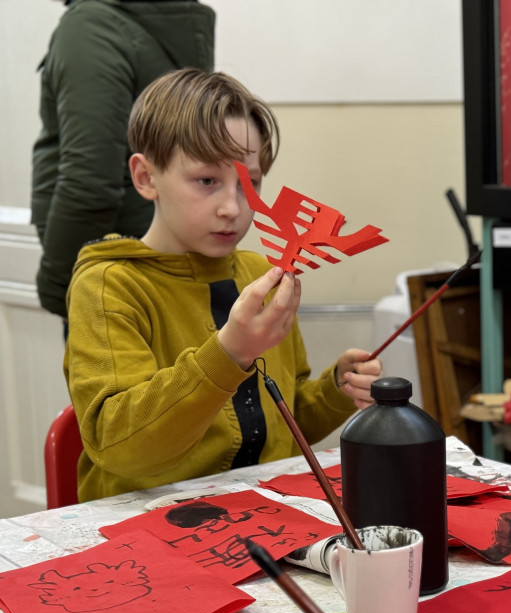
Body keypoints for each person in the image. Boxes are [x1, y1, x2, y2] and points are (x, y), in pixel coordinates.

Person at [63, 68, 382, 502]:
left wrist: (336, 389)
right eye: (207, 181)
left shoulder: (259, 275)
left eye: (250, 183)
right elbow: (121, 449)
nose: (233, 207)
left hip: (263, 512)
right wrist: (230, 352)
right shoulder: (109, 286)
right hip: (147, 523)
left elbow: (282, 420)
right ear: (146, 177)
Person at [32, 0, 215, 321]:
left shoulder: (92, 27)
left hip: (111, 276)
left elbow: (89, 180)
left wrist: (60, 285)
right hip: (162, 266)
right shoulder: (163, 24)